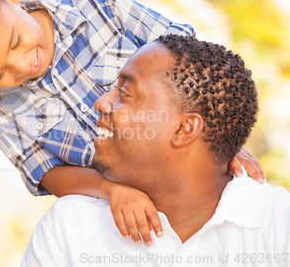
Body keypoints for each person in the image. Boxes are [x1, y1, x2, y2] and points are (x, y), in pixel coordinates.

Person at [0, 0, 265, 245]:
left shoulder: (101, 8)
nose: (21, 66)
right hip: (125, 221)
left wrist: (220, 144)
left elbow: (193, 69)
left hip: (192, 185)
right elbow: (45, 172)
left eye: (15, 42)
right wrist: (110, 190)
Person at [21, 34, 290, 267]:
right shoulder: (71, 226)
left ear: (185, 128)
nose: (101, 103)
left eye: (125, 93)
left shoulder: (278, 226)